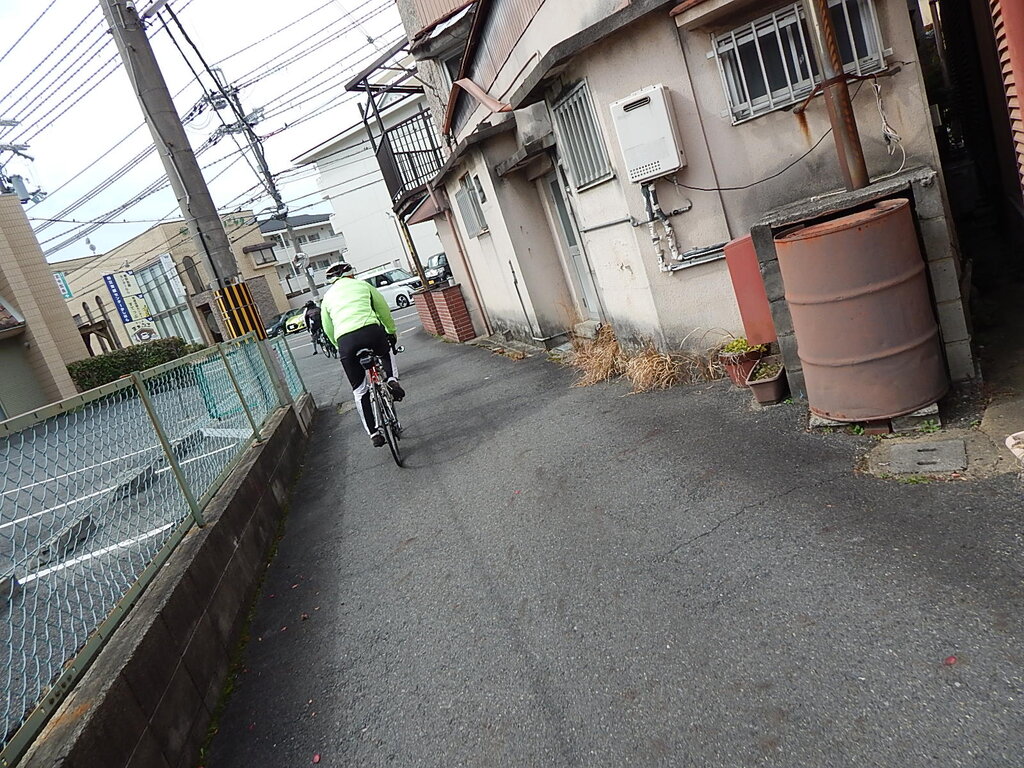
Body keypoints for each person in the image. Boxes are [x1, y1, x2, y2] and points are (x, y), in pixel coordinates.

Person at [319, 261, 405, 447]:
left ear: (331, 280)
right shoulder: (363, 285)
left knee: (359, 390)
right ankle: (391, 380)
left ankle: (374, 433)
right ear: (351, 274)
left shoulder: (327, 298)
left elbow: (327, 327)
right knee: (385, 351)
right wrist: (391, 331)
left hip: (346, 341)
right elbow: (383, 309)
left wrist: (339, 346)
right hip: (370, 331)